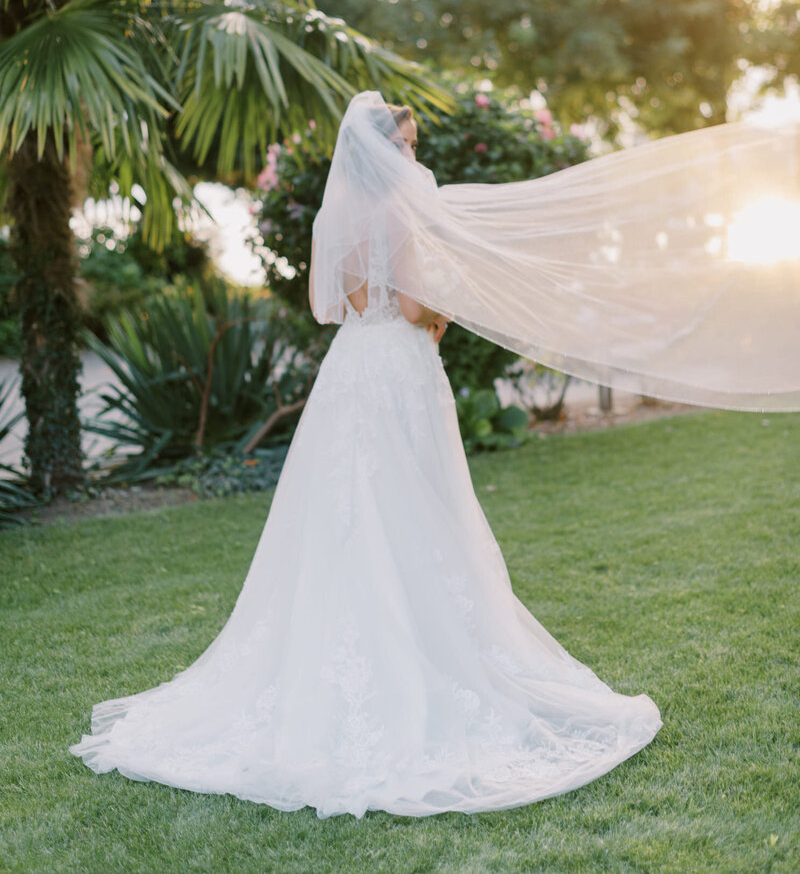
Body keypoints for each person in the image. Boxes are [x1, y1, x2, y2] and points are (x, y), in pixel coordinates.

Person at [70, 92, 664, 819]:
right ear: (385, 152)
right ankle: (424, 651)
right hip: (400, 367)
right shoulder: (401, 213)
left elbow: (338, 304)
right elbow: (417, 310)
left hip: (352, 362)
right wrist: (448, 304)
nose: (413, 158)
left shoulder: (342, 213)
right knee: (416, 504)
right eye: (407, 146)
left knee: (351, 509)